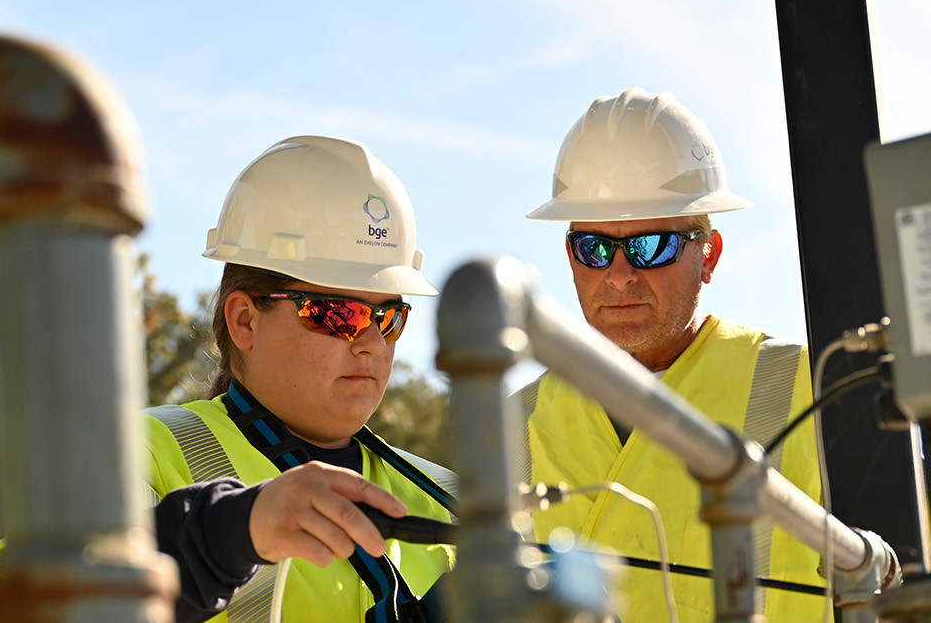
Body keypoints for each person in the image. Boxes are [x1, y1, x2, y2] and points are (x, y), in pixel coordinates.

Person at [517, 87, 824, 620]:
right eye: (593, 248)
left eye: (650, 246)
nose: (619, 275)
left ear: (709, 256)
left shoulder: (805, 386)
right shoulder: (516, 421)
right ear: (570, 257)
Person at [146, 135, 457, 622]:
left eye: (389, 318)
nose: (372, 343)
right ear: (245, 320)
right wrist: (231, 532)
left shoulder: (451, 503)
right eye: (338, 315)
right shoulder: (143, 454)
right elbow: (60, 598)